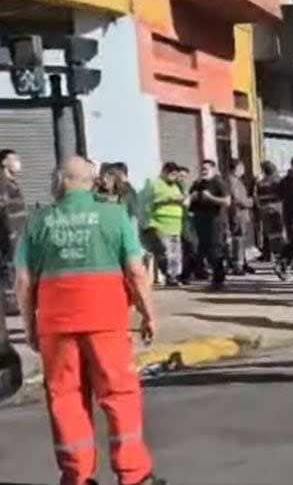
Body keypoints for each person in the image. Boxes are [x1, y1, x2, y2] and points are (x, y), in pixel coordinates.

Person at [15, 156, 164, 485]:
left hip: (56, 324)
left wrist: (29, 326)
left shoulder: (39, 221)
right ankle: (134, 475)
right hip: (106, 320)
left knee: (65, 398)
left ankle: (77, 475)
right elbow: (136, 270)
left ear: (63, 180)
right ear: (91, 181)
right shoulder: (114, 215)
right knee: (119, 395)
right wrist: (148, 313)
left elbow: (24, 281)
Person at [0, 149, 26, 390]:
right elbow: (5, 214)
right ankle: (13, 311)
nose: (18, 162)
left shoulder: (11, 182)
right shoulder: (2, 182)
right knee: (12, 278)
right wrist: (10, 239)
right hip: (11, 240)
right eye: (13, 158)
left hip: (17, 237)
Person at [189, 160, 231, 290]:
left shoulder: (219, 182)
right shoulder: (198, 184)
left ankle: (218, 280)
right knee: (204, 250)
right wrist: (192, 198)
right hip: (201, 221)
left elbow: (227, 201)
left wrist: (210, 198)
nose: (203, 171)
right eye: (202, 169)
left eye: (206, 169)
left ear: (213, 169)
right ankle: (211, 275)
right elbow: (189, 199)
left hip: (216, 222)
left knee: (215, 250)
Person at [146, 163, 185, 287]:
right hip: (161, 223)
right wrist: (170, 199)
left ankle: (174, 276)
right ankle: (168, 275)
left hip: (176, 224)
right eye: (173, 174)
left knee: (176, 253)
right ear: (165, 172)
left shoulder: (175, 186)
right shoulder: (154, 184)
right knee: (165, 251)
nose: (174, 178)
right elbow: (151, 201)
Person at [227, 159, 255, 276]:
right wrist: (250, 202)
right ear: (237, 168)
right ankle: (237, 264)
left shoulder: (237, 181)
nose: (243, 170)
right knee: (238, 239)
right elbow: (238, 199)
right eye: (242, 168)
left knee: (243, 239)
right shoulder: (232, 181)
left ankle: (243, 262)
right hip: (238, 214)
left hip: (242, 214)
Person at [255, 161, 284, 263]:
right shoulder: (278, 181)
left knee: (268, 234)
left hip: (265, 210)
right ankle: (280, 257)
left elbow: (257, 198)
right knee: (278, 234)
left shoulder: (260, 183)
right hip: (277, 210)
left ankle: (271, 255)